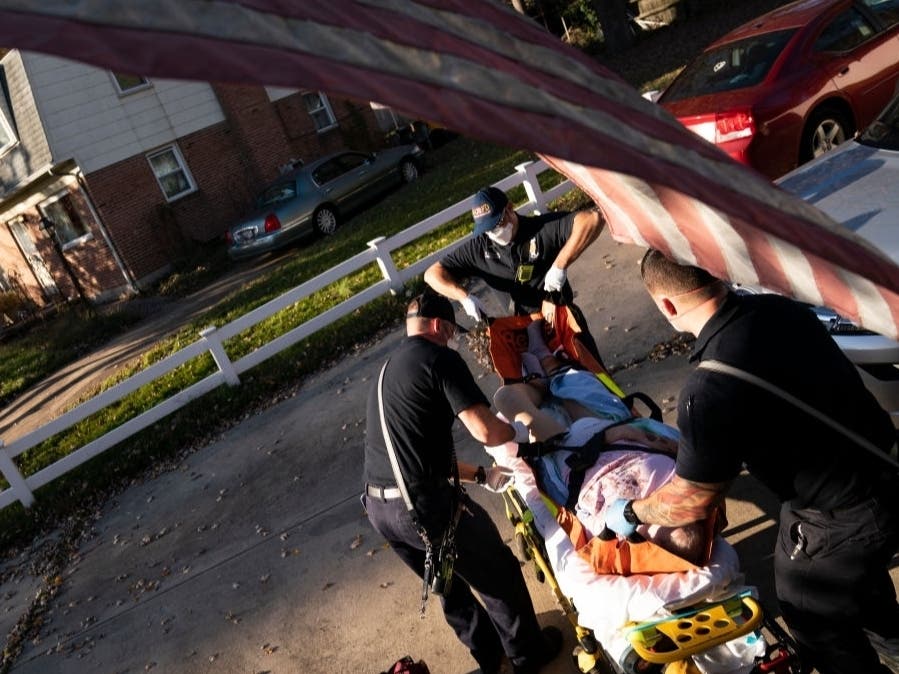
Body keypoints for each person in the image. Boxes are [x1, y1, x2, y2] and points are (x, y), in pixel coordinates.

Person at [604, 249, 899, 674]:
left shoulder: (708, 390)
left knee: (814, 618)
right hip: (883, 471)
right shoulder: (780, 309)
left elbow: (690, 502)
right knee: (862, 587)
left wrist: (631, 511)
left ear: (666, 305)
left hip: (837, 518)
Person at [362, 290, 563, 674]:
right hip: (424, 508)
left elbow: (417, 457)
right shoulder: (439, 358)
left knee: (448, 583)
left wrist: (482, 475)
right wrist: (520, 433)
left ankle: (491, 658)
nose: (453, 339)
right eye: (452, 332)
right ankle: (527, 655)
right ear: (439, 326)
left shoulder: (387, 371)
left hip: (381, 509)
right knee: (497, 571)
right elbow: (486, 431)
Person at [424, 185, 605, 364]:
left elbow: (592, 219)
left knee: (596, 379)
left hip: (564, 322)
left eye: (497, 224)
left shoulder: (541, 229)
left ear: (510, 208)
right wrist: (463, 297)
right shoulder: (480, 247)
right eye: (487, 229)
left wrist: (560, 265)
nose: (494, 233)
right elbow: (432, 274)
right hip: (524, 337)